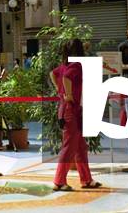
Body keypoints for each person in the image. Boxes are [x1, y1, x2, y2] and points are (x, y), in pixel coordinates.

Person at [51, 38, 101, 192]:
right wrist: (68, 94)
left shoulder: (65, 64)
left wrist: (60, 91)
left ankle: (86, 179)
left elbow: (53, 74)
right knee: (69, 146)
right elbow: (66, 78)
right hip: (71, 110)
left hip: (69, 110)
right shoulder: (76, 65)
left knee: (80, 147)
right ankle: (59, 181)